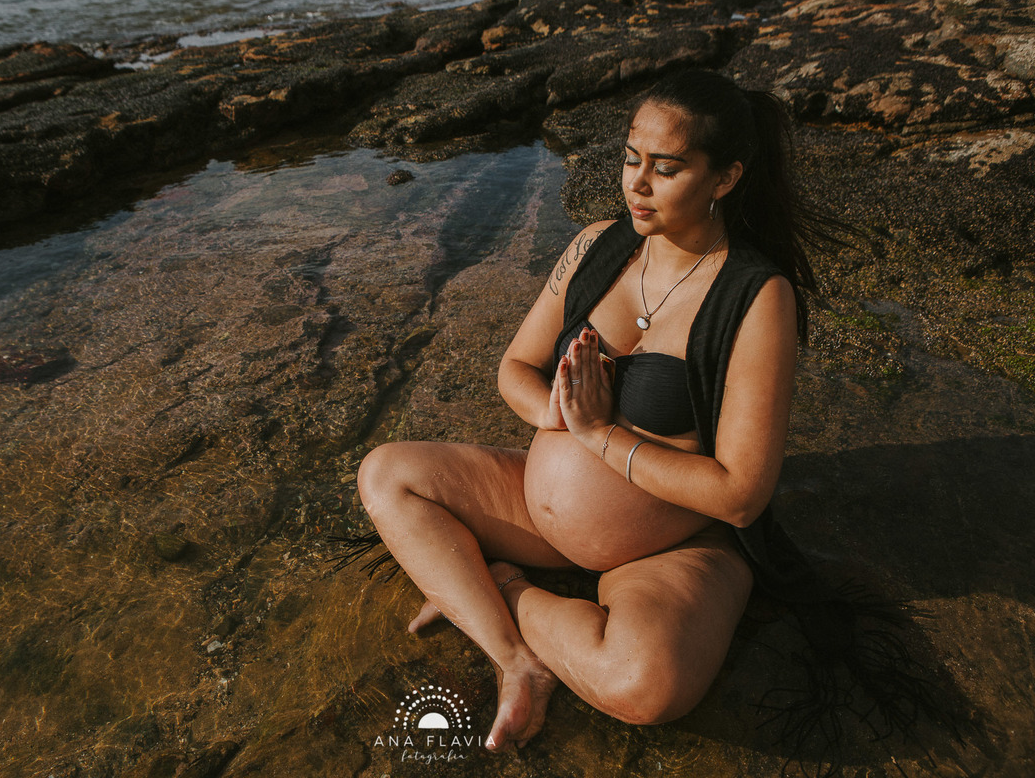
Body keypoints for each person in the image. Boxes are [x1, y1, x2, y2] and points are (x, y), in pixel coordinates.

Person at [355, 69, 839, 752]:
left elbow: (740, 495)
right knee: (387, 474)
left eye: (666, 169)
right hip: (538, 516)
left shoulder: (755, 297)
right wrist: (557, 415)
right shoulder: (595, 246)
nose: (637, 183)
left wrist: (599, 433)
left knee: (645, 685)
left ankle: (502, 587)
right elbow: (515, 369)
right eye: (630, 159)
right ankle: (515, 659)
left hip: (670, 546)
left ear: (725, 178)